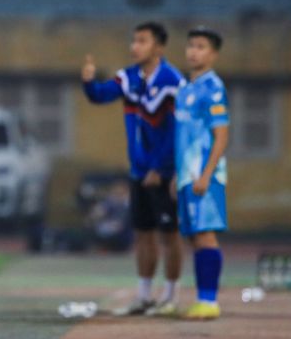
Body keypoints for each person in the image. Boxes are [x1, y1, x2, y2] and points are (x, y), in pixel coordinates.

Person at [82, 22, 184, 316]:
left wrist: (163, 168)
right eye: (134, 40)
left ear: (159, 48)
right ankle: (144, 294)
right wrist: (89, 83)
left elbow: (178, 131)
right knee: (142, 233)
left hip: (164, 172)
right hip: (139, 170)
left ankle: (172, 295)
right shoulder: (128, 78)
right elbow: (100, 95)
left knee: (169, 234)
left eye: (142, 41)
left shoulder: (172, 82)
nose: (134, 46)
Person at [173, 26, 230, 320]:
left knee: (206, 236)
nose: (194, 51)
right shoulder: (186, 88)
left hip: (203, 176)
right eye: (191, 45)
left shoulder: (213, 88)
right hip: (186, 175)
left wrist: (206, 174)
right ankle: (202, 298)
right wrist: (176, 175)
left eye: (201, 46)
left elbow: (221, 135)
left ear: (213, 54)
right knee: (195, 237)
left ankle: (209, 301)